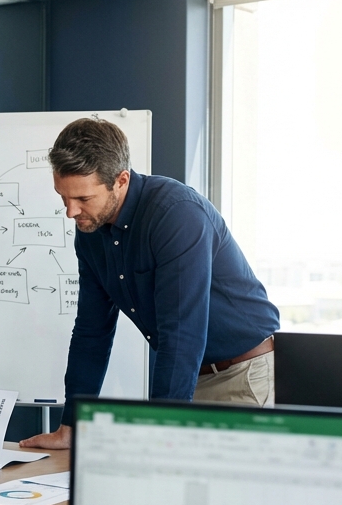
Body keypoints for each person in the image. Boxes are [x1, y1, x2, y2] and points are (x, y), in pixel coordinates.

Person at [21, 118, 279, 451]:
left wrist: (162, 428)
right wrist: (71, 425)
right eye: (64, 197)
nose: (71, 211)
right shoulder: (90, 232)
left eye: (83, 198)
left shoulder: (176, 214)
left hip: (243, 378)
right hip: (192, 381)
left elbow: (181, 333)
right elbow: (91, 331)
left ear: (121, 180)